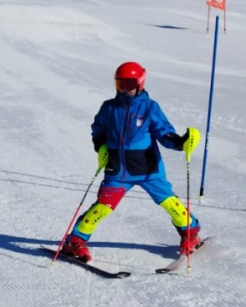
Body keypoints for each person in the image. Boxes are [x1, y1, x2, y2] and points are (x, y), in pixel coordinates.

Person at [61, 62, 202, 262]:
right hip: (117, 169)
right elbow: (98, 129)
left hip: (148, 169)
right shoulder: (109, 107)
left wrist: (180, 143)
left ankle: (190, 234)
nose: (124, 89)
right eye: (120, 84)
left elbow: (164, 133)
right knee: (102, 208)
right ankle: (75, 241)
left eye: (129, 84)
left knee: (171, 204)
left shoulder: (150, 108)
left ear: (140, 84)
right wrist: (100, 146)